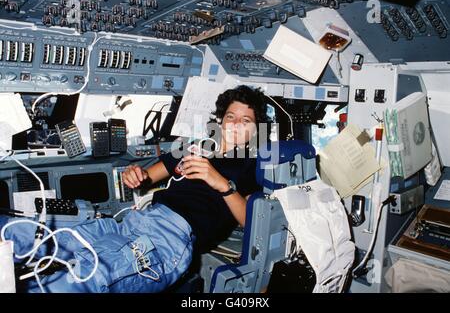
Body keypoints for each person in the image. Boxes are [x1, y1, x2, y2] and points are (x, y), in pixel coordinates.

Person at [1, 85, 271, 293]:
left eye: (245, 120)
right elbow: (147, 176)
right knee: (25, 232)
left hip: (170, 241)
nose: (235, 124)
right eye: (230, 116)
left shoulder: (251, 166)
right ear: (221, 120)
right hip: (131, 223)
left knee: (87, 278)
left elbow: (250, 221)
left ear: (255, 128)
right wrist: (136, 174)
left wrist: (221, 183)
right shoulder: (195, 145)